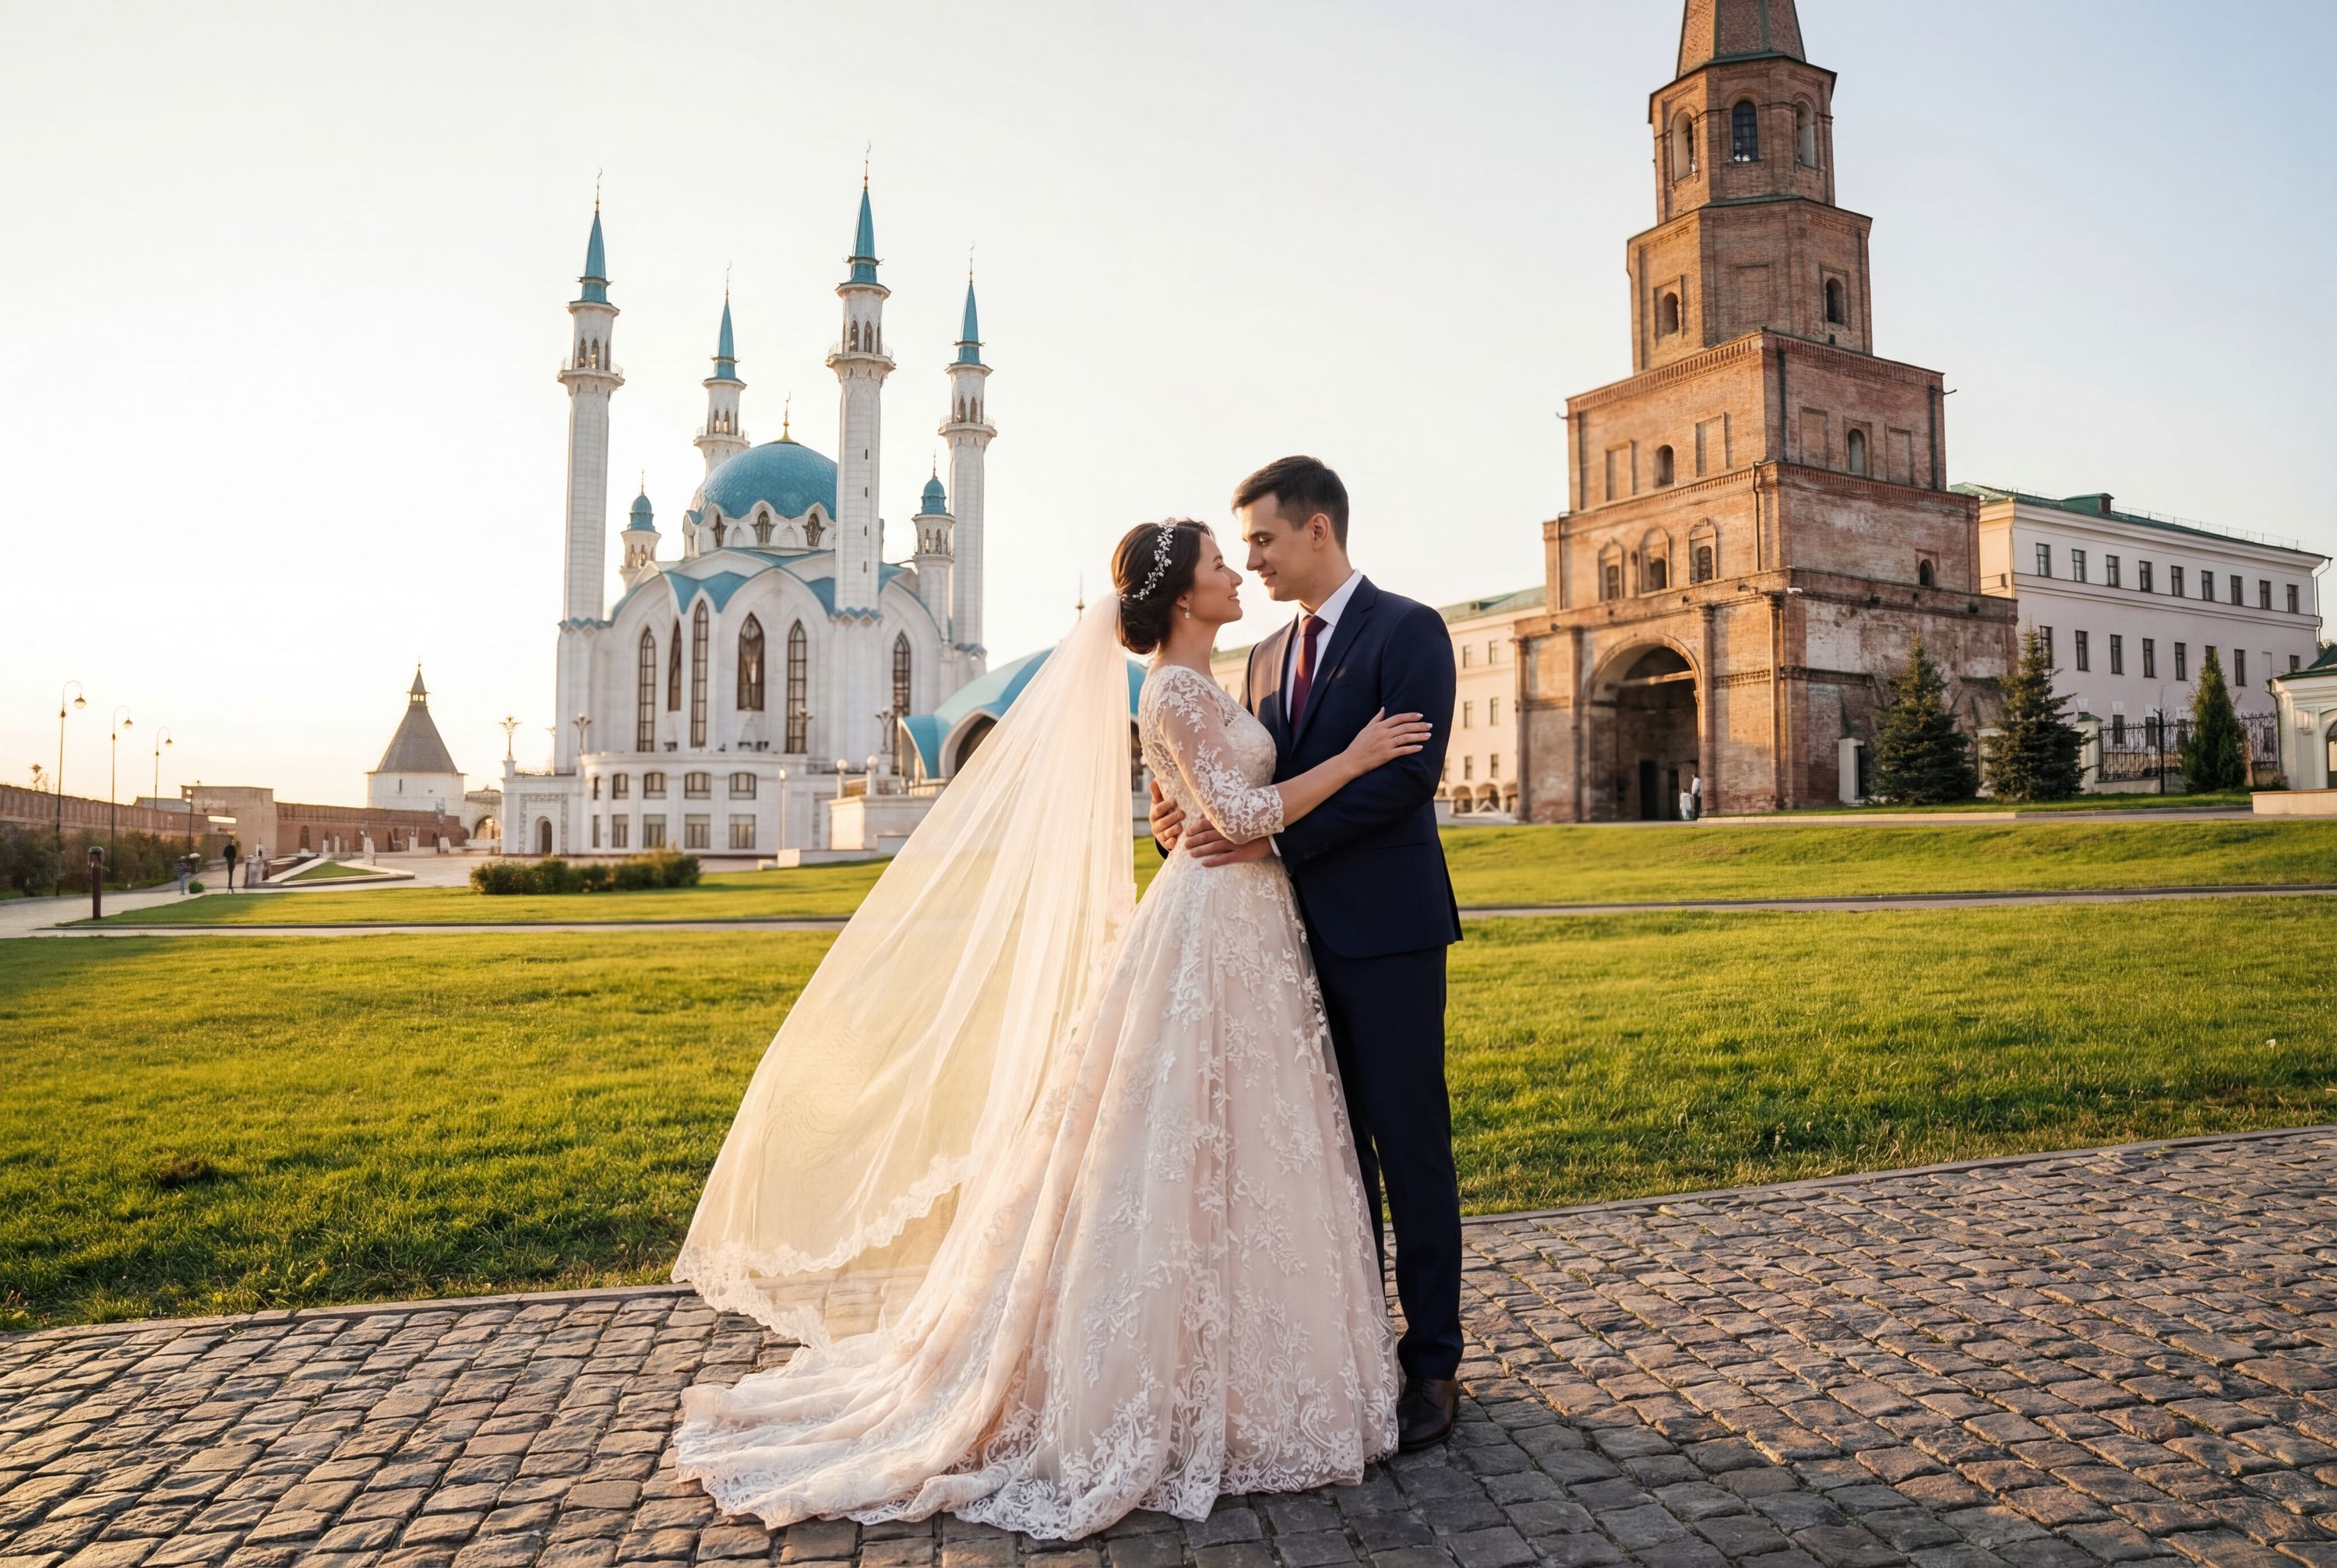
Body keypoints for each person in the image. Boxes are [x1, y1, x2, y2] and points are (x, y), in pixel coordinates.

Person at [669, 518, 1431, 1539]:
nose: (1235, 573)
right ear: (1179, 596)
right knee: (1178, 1142)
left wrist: (1182, 809)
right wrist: (1357, 755)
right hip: (1213, 930)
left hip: (1246, 927)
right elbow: (1244, 816)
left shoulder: (1215, 683)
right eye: (1217, 564)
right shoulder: (1170, 687)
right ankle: (1162, 1376)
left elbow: (1213, 804)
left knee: (1245, 1145)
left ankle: (1261, 1365)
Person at [1149, 456, 1465, 1451]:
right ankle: (1352, 1354)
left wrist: (1268, 840)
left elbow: (1407, 776)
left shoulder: (1410, 629)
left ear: (1317, 530)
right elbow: (1239, 786)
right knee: (1324, 1159)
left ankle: (1433, 1366)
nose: (1253, 561)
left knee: (1410, 1149)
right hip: (1277, 946)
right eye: (1238, 549)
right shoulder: (1263, 655)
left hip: (1387, 933)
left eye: (1264, 542)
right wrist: (1180, 819)